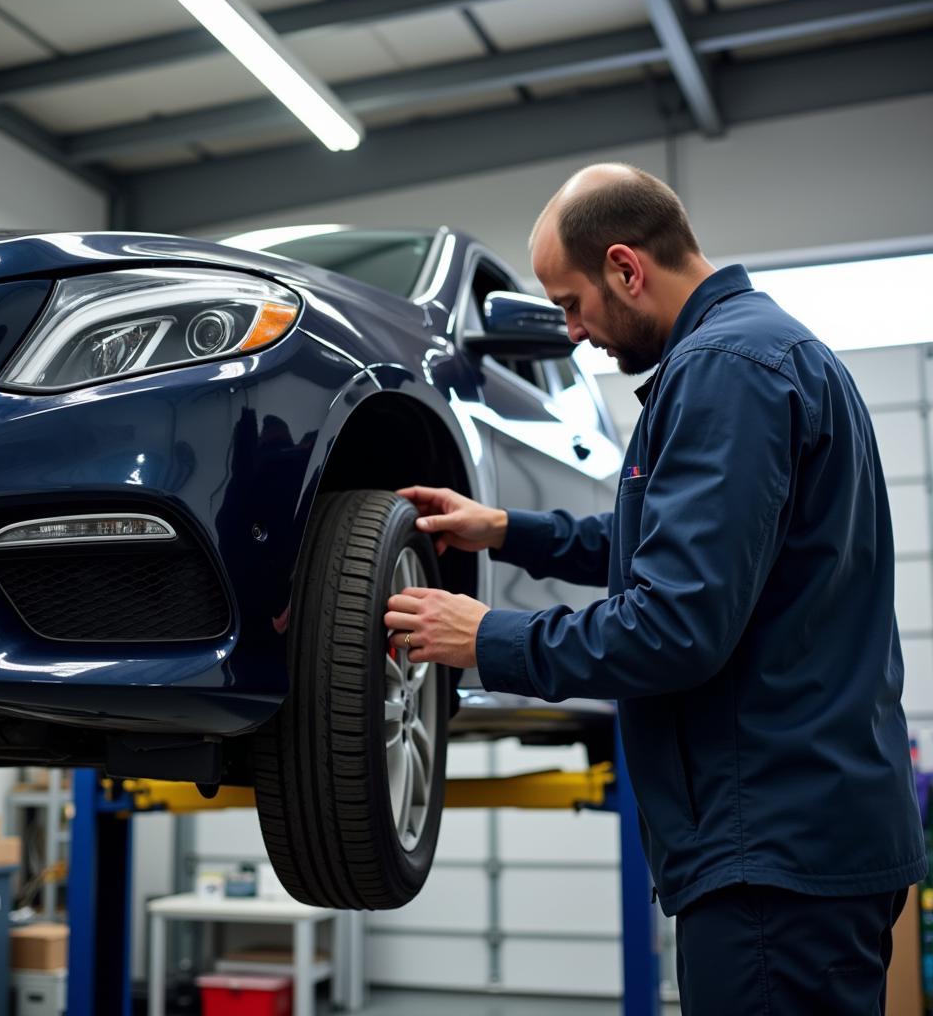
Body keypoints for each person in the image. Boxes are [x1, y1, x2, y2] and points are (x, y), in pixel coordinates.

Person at [384, 163, 926, 1014]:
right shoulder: (760, 350)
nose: (571, 333)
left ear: (627, 269)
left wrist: (488, 637)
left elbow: (675, 624)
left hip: (772, 854)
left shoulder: (726, 373)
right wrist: (509, 530)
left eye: (571, 302)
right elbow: (669, 549)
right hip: (797, 836)